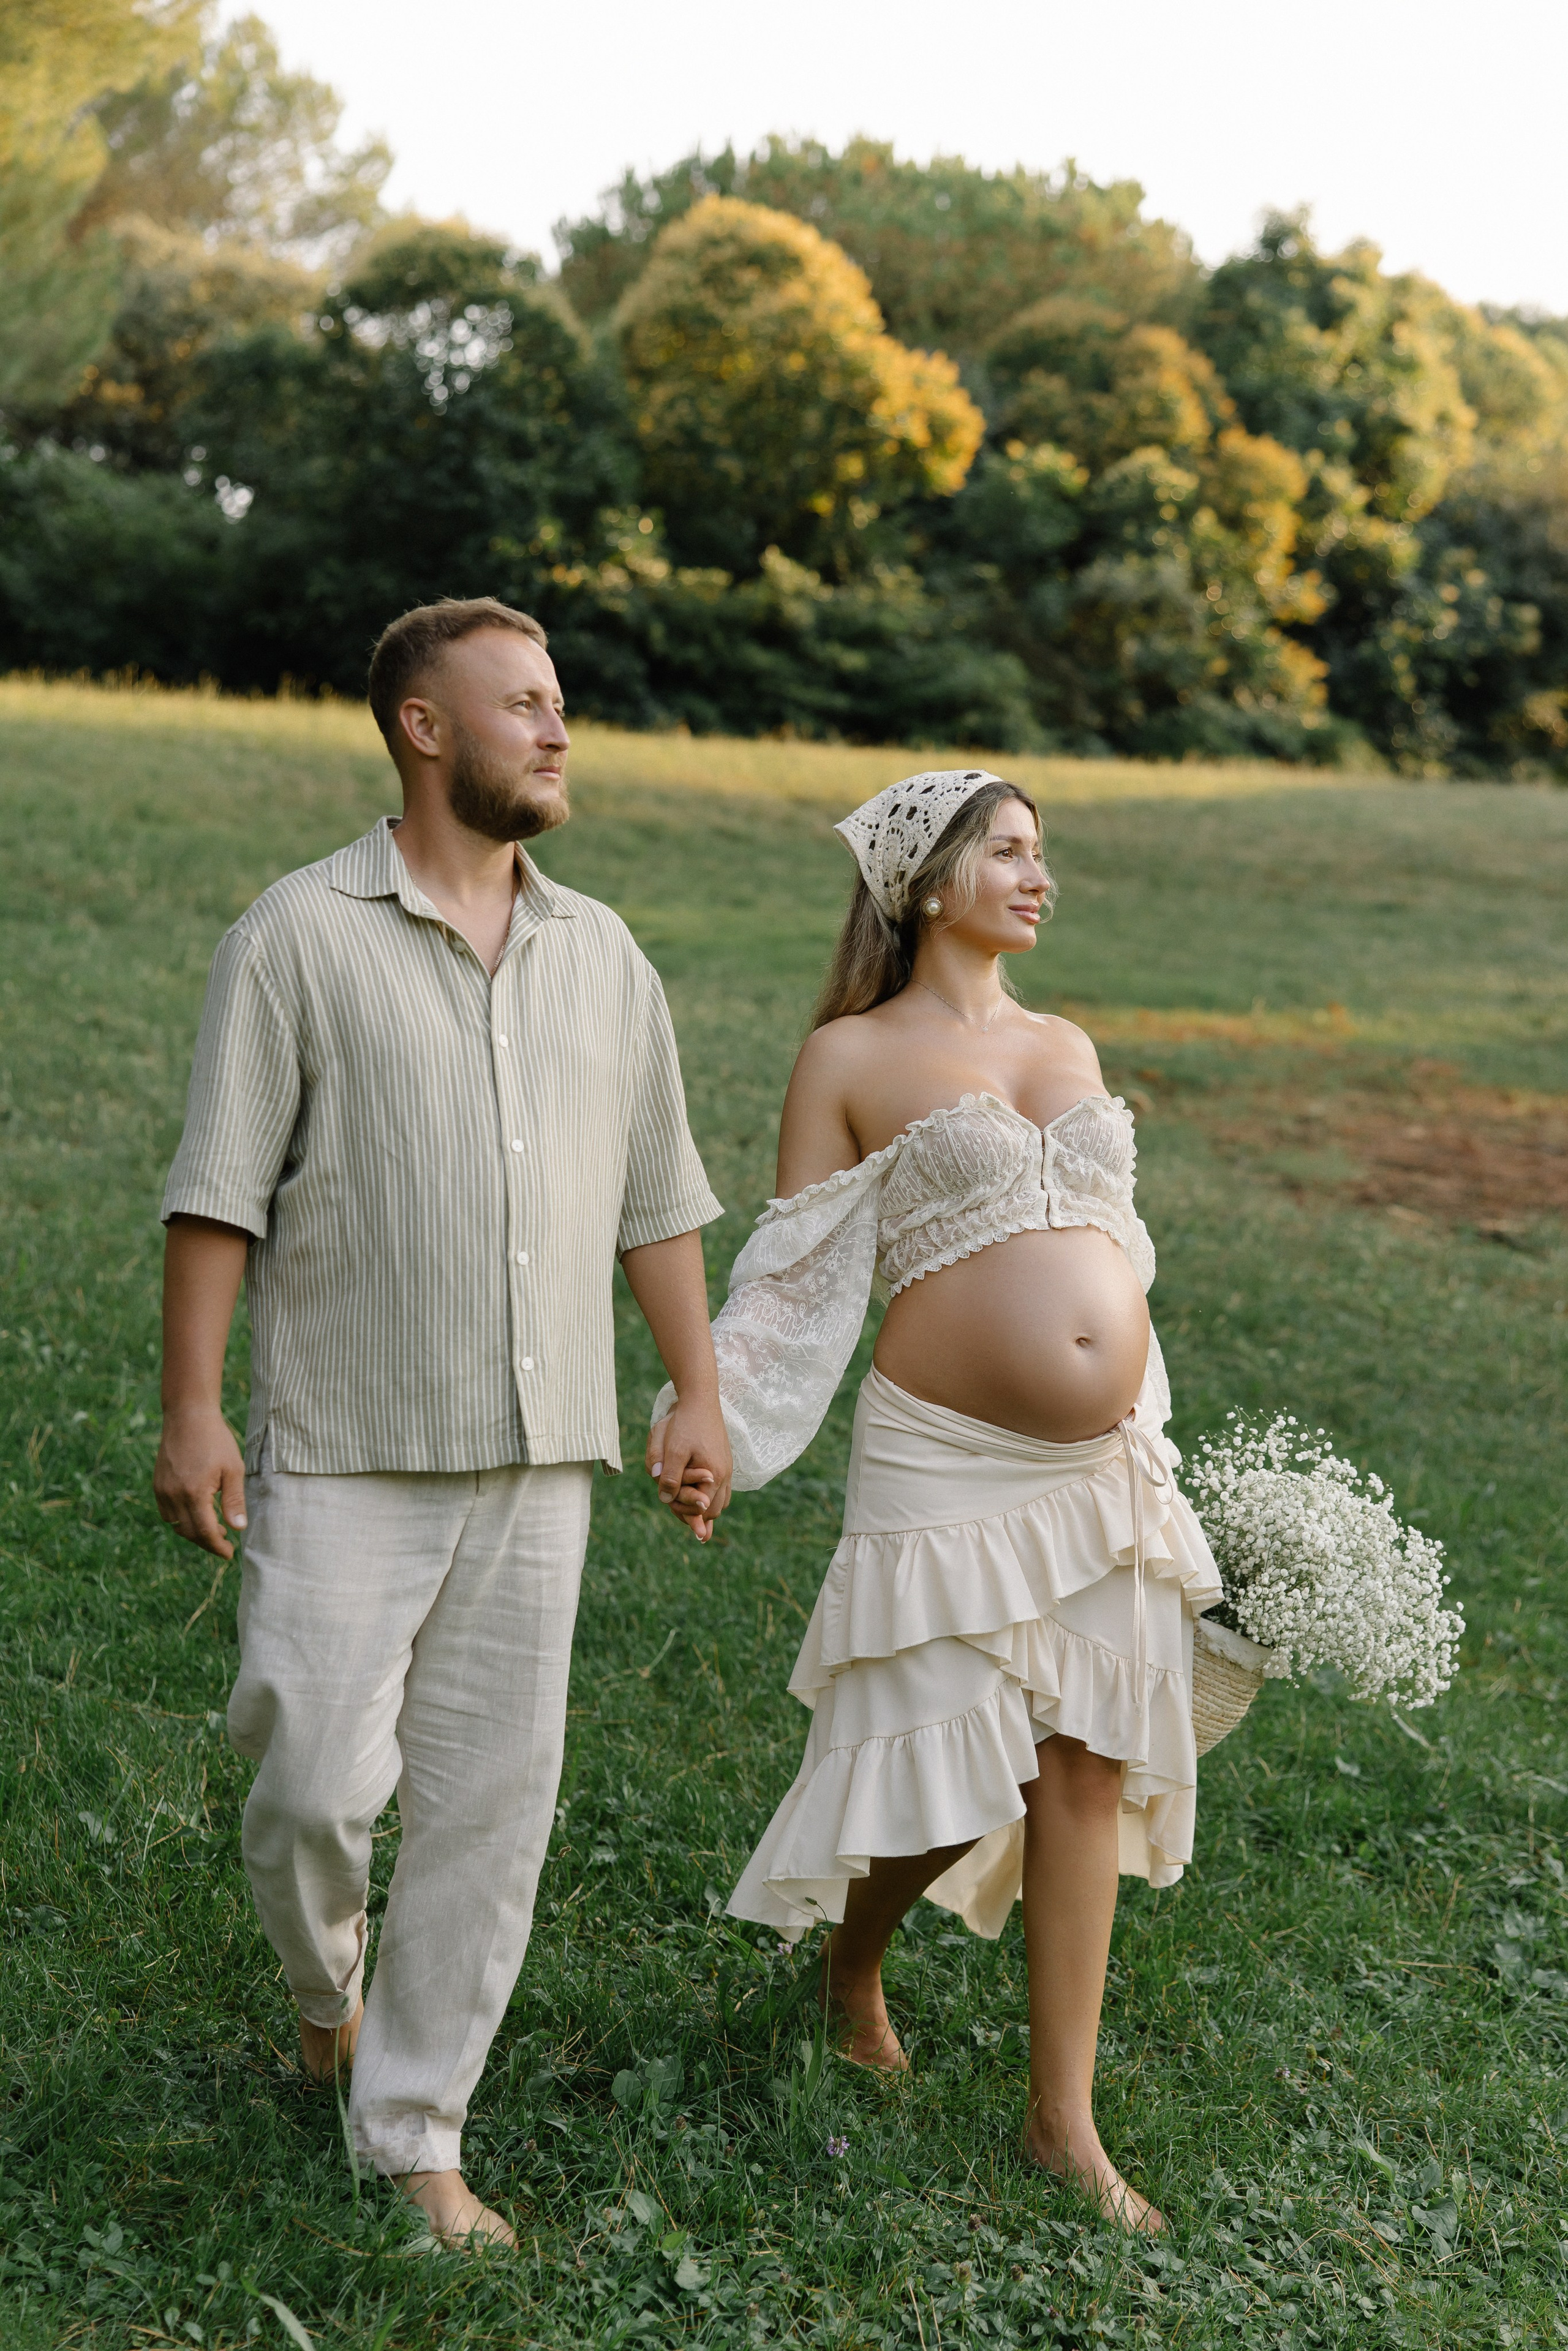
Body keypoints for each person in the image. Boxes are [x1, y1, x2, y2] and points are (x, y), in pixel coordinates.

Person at [154, 597, 731, 2247]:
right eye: (524, 703)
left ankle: (416, 2128)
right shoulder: (297, 934)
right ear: (424, 727)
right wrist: (195, 1405)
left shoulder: (605, 953)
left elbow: (655, 1198)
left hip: (545, 1457)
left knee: (490, 1801)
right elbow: (216, 1196)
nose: (557, 729)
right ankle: (324, 1983)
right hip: (344, 1441)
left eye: (559, 703)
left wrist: (691, 1385)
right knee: (315, 1785)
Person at [652, 769, 1220, 2233]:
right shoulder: (847, 1055)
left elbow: (1116, 1247)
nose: (1039, 876)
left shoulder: (1067, 1039)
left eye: (1043, 853)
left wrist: (1135, 1415)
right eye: (1010, 852)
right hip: (945, 1451)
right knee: (937, 1749)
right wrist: (709, 1415)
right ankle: (853, 1961)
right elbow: (788, 1275)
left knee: (1081, 1762)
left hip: (1093, 1461)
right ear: (924, 881)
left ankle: (1061, 2119)